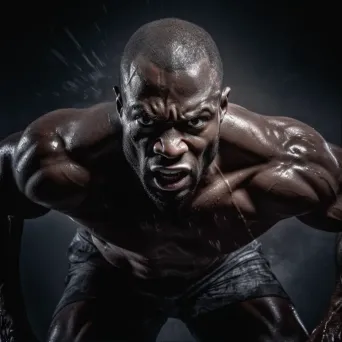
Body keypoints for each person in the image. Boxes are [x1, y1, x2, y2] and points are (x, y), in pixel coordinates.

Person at [1, 18, 341, 342]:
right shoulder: (59, 154)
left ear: (221, 107)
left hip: (222, 265)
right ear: (121, 106)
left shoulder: (284, 161)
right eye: (148, 122)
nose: (170, 147)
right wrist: (8, 325)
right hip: (113, 268)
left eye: (194, 123)